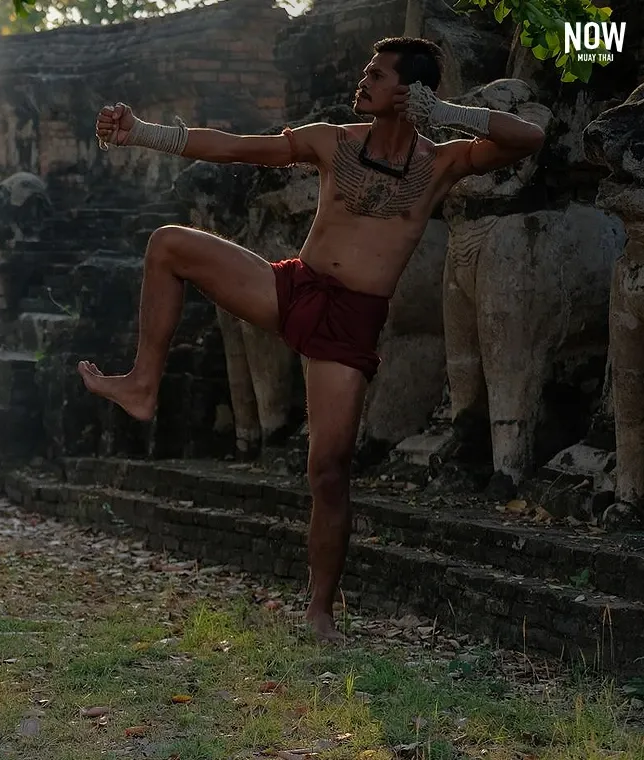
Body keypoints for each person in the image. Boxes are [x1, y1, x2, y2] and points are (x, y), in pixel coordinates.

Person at [80, 37, 545, 642]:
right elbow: (237, 149)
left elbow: (529, 139)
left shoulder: (440, 163)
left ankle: (321, 610)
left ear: (409, 90)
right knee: (168, 243)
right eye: (366, 71)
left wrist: (446, 113)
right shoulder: (333, 139)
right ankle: (142, 384)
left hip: (349, 326)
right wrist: (142, 132)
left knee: (327, 470)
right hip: (293, 290)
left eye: (376, 75)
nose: (363, 81)